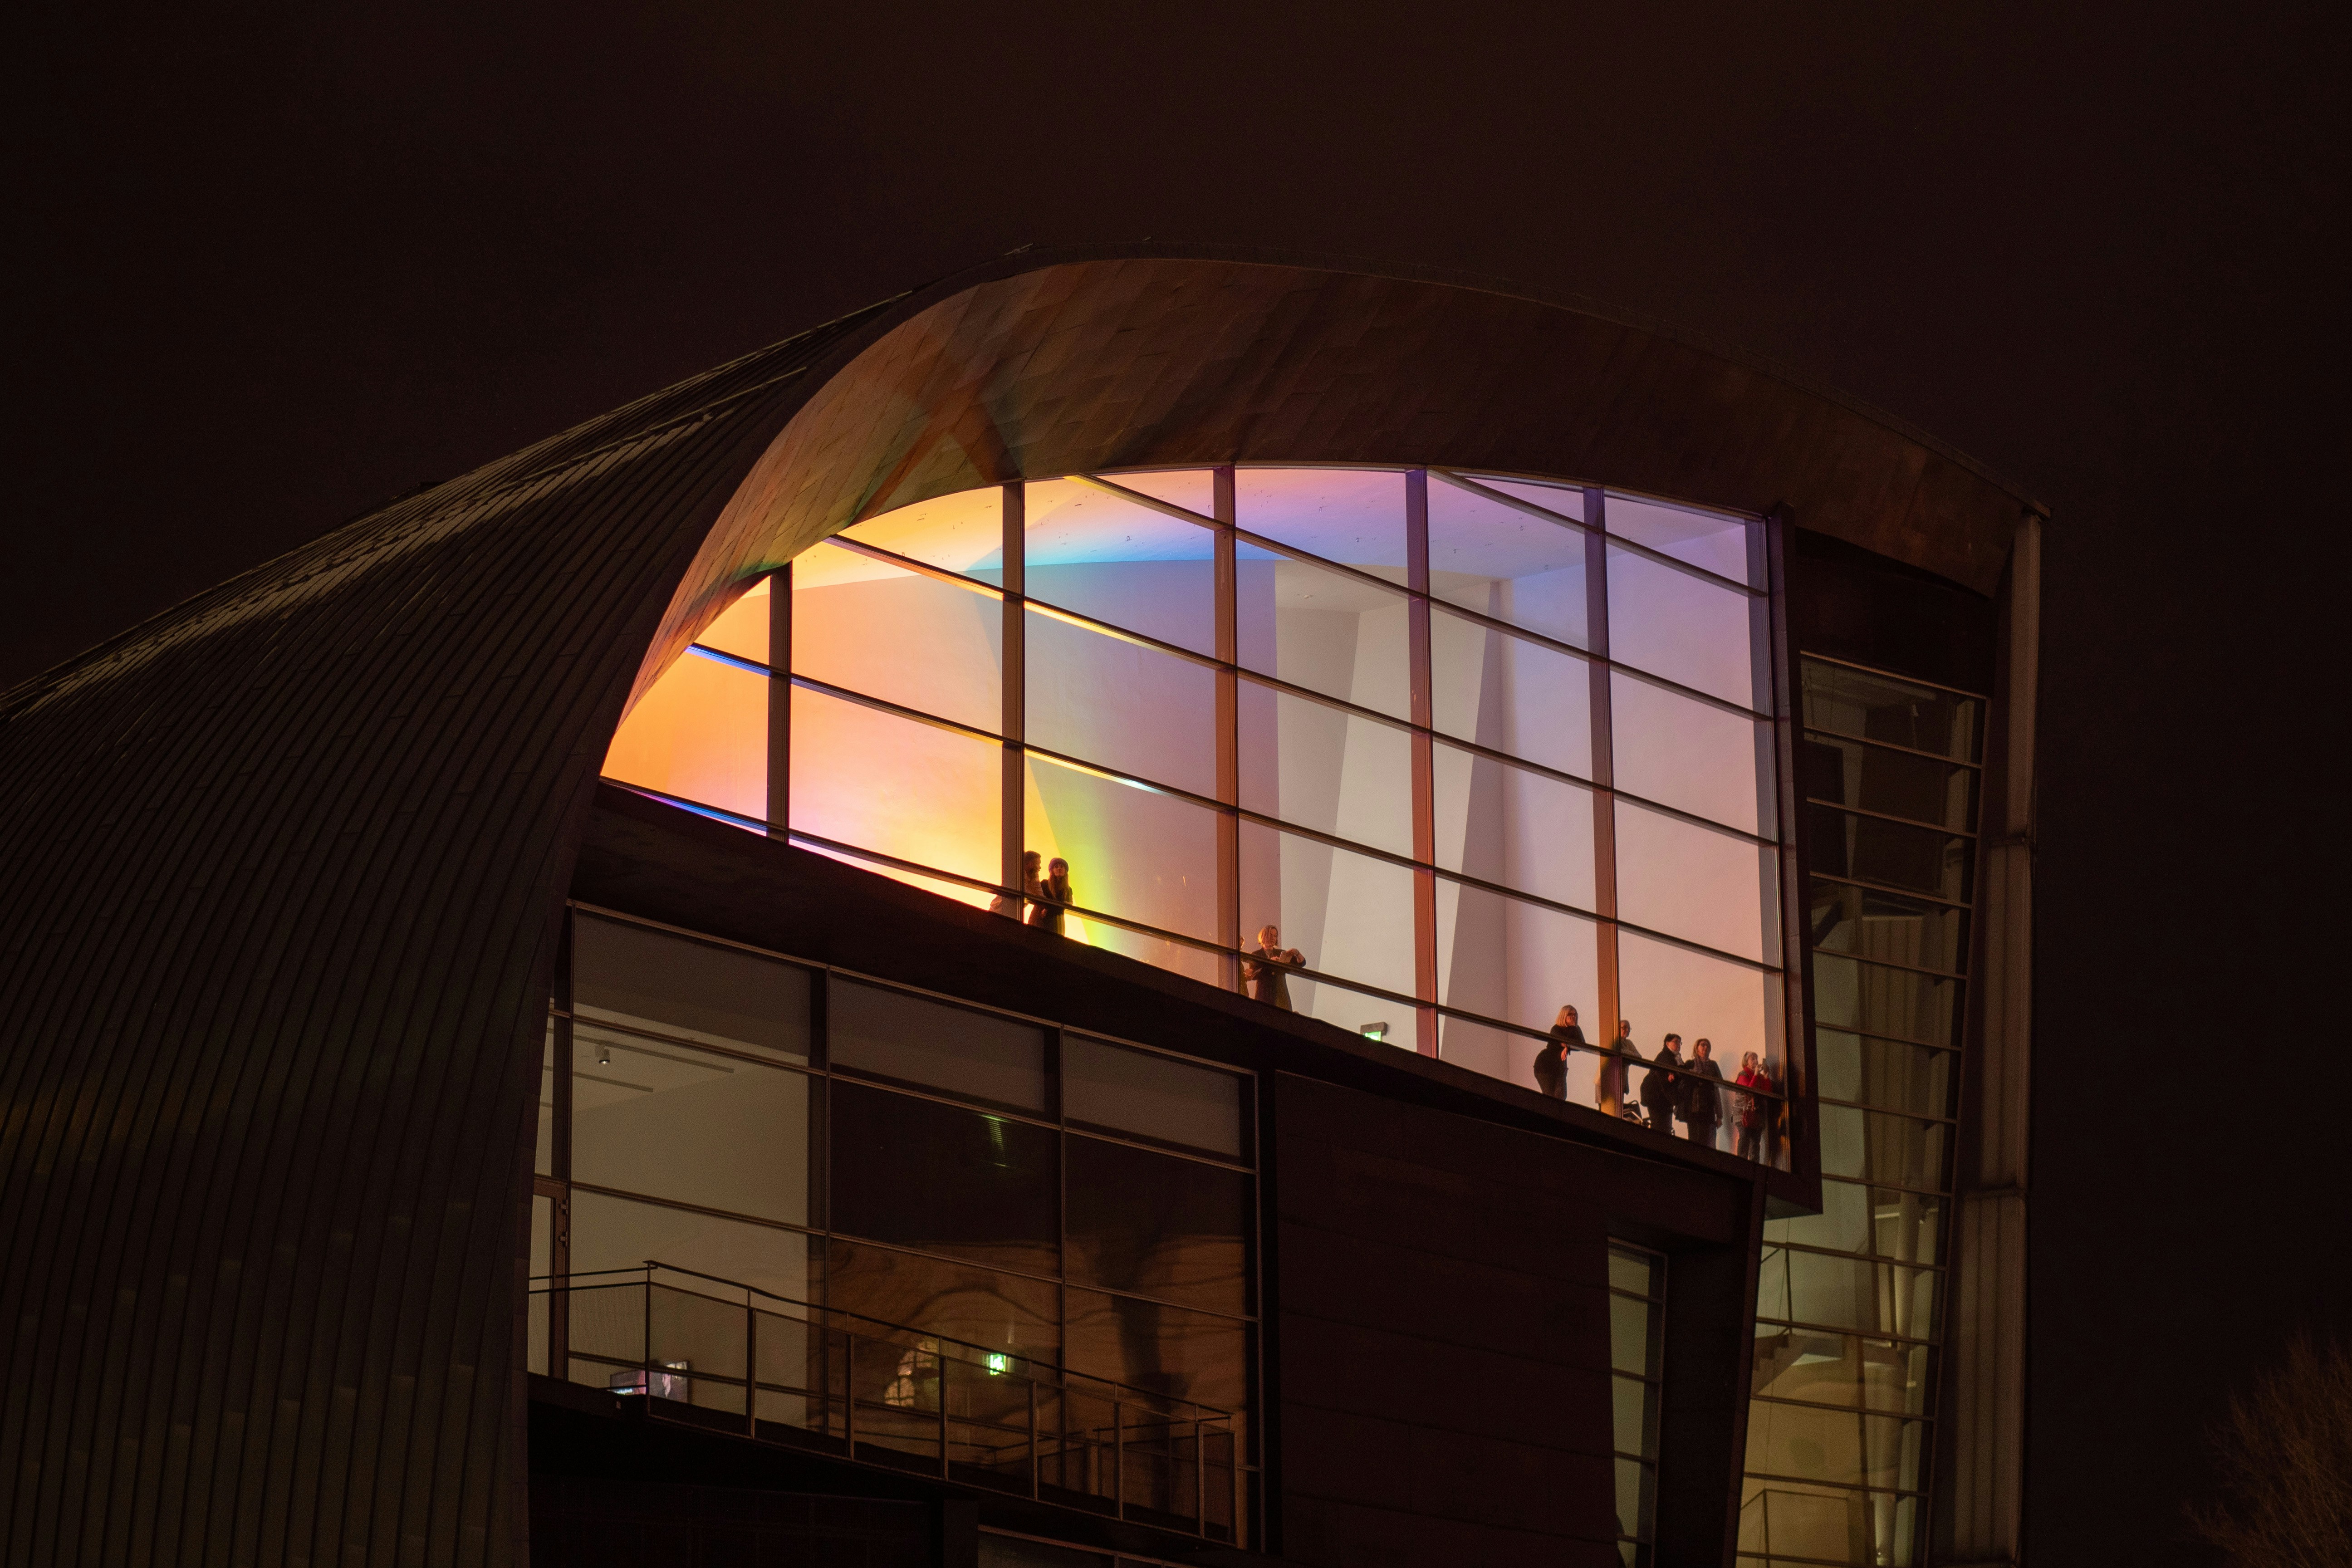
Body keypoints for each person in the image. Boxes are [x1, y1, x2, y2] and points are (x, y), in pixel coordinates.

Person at [1243, 924, 1303, 1009]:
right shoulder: (1256, 954)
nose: (1273, 938)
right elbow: (1254, 976)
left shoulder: (1281, 953)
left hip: (1281, 995)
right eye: (1271, 935)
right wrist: (1270, 963)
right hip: (1264, 995)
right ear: (1264, 936)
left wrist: (1297, 953)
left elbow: (1301, 964)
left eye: (1275, 936)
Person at [1680, 1038, 1725, 1147]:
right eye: (1703, 1045)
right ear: (1697, 1048)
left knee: (1706, 1140)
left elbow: (1718, 1087)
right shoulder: (1691, 1064)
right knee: (1694, 1139)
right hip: (1694, 1106)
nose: (1706, 1047)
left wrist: (1719, 1115)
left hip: (1709, 1105)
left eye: (1708, 1046)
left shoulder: (1713, 1065)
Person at [1637, 1029, 1682, 1132]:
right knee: (1661, 1128)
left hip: (1661, 1099)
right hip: (1657, 1099)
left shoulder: (1675, 1058)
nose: (1679, 1045)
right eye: (1676, 1042)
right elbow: (1668, 1080)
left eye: (1680, 1043)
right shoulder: (1665, 1057)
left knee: (1664, 1127)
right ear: (1667, 1043)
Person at [1535, 1005, 1583, 1100]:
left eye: (1575, 1015)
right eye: (1570, 1014)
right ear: (1564, 1015)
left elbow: (1581, 1045)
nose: (1573, 1017)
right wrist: (1568, 1045)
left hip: (1559, 1067)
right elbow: (1565, 1041)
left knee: (1561, 1096)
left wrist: (1568, 1048)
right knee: (1551, 1097)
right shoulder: (1556, 1029)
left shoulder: (1575, 1029)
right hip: (1546, 1066)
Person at [990, 849, 1043, 920]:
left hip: (1011, 915)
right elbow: (1023, 894)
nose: (1040, 868)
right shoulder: (1017, 876)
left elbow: (1040, 895)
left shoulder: (1034, 877)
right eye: (1038, 864)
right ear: (1031, 865)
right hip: (998, 914)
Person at [1027, 857, 1073, 935]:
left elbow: (1067, 905)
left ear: (1065, 870)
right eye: (1056, 867)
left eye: (1062, 867)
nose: (1059, 869)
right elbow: (1037, 898)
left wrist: (1048, 909)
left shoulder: (1068, 890)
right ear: (1052, 870)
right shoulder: (1045, 884)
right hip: (1040, 918)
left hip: (1056, 922)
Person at [1734, 1050, 1764, 1162]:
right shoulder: (1743, 1075)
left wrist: (1766, 1077)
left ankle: (1754, 1166)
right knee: (1745, 1137)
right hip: (1743, 1114)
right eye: (1753, 1059)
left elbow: (1767, 1090)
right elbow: (1749, 1090)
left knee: (1756, 1142)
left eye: (1757, 1058)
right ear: (1746, 1062)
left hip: (1756, 1114)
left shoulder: (1758, 1077)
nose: (1756, 1061)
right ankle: (1741, 1164)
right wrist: (1756, 1075)